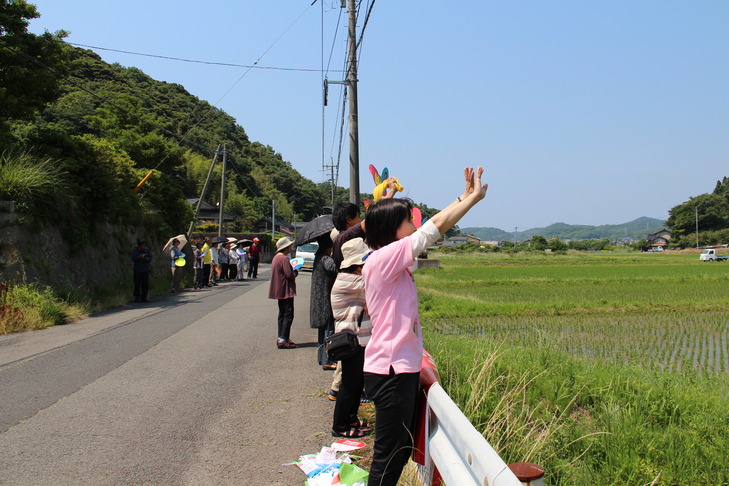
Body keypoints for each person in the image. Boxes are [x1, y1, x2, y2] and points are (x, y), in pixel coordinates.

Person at [362, 166, 488, 486]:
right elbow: (434, 228)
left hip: (397, 368)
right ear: (393, 228)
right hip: (390, 371)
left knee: (399, 450)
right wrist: (470, 200)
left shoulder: (391, 261)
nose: (414, 224)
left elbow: (428, 227)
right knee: (388, 455)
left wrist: (463, 196)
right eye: (408, 221)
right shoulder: (383, 259)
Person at [330, 237, 372, 438]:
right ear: (358, 264)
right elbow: (381, 279)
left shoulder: (354, 279)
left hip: (356, 341)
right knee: (350, 385)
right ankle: (341, 426)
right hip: (351, 342)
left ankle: (351, 419)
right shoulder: (351, 280)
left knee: (355, 384)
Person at [310, 233, 338, 369]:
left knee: (323, 331)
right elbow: (334, 268)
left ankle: (322, 358)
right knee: (329, 330)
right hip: (325, 301)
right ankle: (327, 360)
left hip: (319, 300)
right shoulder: (325, 258)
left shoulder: (318, 257)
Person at [268, 237, 298, 349]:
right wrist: (295, 272)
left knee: (282, 314)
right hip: (286, 289)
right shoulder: (284, 259)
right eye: (290, 246)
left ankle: (281, 337)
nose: (291, 247)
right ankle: (283, 339)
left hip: (279, 289)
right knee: (288, 314)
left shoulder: (276, 258)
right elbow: (289, 275)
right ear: (286, 247)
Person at [131, 238, 153, 303]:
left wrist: (146, 259)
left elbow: (150, 257)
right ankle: (137, 297)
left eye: (144, 245)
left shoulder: (147, 250)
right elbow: (133, 258)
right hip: (137, 270)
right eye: (142, 245)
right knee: (137, 284)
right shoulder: (135, 251)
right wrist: (139, 257)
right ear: (139, 246)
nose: (143, 246)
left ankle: (144, 297)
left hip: (145, 269)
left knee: (145, 284)